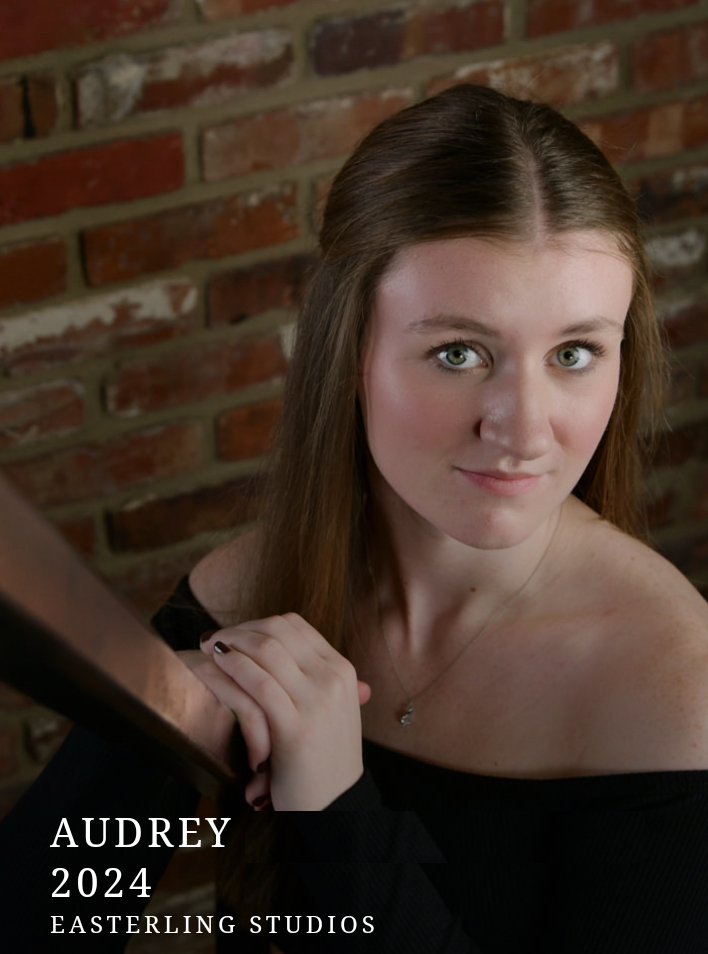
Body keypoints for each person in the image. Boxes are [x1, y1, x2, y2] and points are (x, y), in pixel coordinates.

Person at [1, 83, 708, 953]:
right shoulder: (245, 595)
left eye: (574, 352)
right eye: (459, 352)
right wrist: (156, 722)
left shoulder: (675, 684)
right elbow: (40, 921)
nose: (525, 430)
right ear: (350, 351)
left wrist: (338, 813)